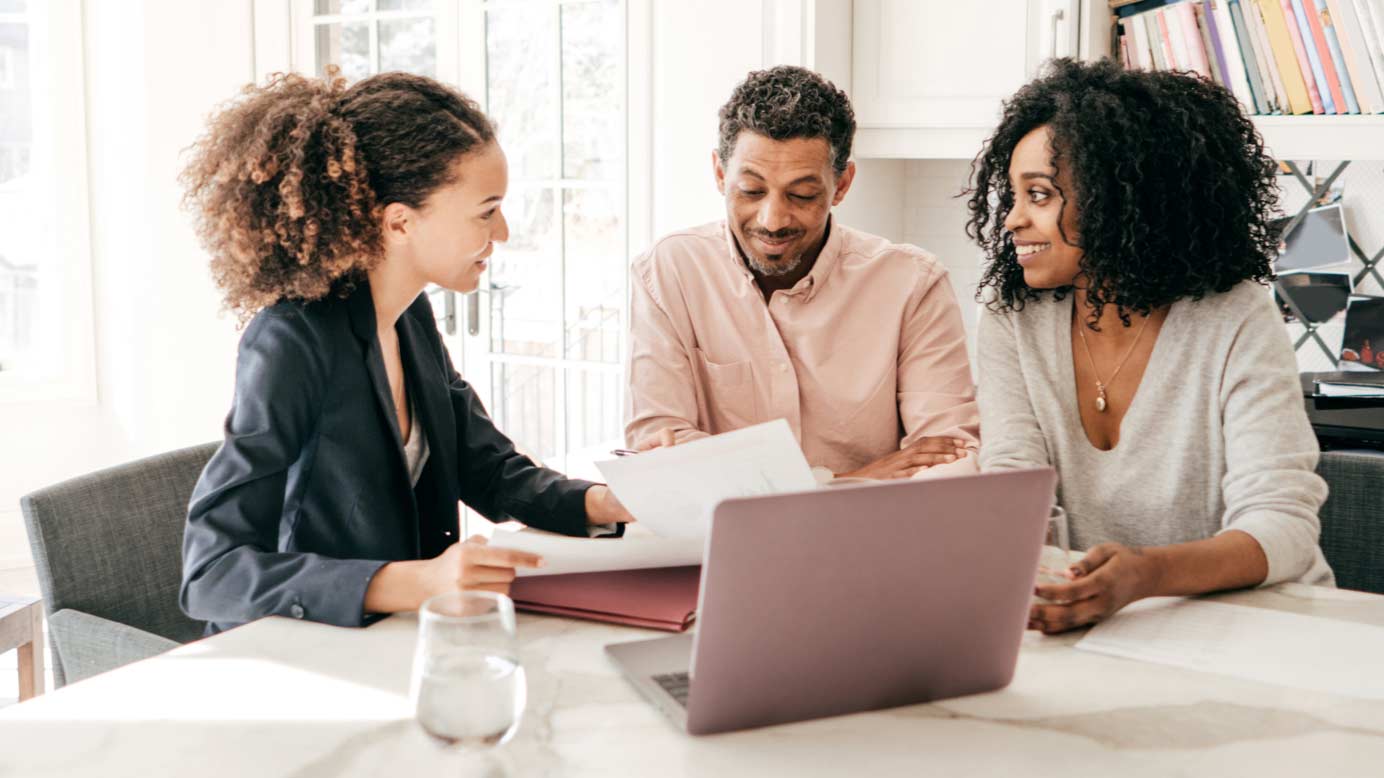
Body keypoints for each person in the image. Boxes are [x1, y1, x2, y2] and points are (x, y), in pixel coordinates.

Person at [179, 70, 633, 634]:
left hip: (394, 641)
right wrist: (420, 582)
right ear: (399, 222)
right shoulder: (292, 341)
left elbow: (486, 468)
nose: (505, 232)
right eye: (486, 211)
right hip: (302, 651)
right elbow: (211, 574)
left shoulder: (409, 315)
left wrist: (606, 503)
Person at [968, 59, 1333, 634]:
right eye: (1012, 195)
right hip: (1099, 624)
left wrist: (1146, 575)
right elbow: (1015, 489)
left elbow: (1282, 526)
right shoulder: (1012, 320)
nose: (1012, 219)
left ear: (1118, 199)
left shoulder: (1234, 317)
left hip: (1260, 627)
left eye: (1038, 195)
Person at [626, 65, 978, 481]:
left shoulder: (914, 285)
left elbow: (949, 460)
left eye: (802, 195)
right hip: (722, 542)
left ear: (841, 184)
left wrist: (728, 469)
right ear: (721, 174)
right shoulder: (668, 273)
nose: (772, 219)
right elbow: (657, 451)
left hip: (874, 542)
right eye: (752, 191)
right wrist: (847, 482)